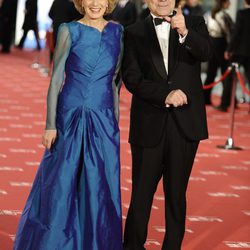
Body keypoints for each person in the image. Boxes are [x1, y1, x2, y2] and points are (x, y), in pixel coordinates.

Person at [14, 0, 123, 248]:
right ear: (81, 2)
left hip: (104, 120)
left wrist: (114, 122)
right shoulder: (69, 30)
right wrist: (50, 124)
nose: (95, 4)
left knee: (99, 185)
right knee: (62, 183)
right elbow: (55, 80)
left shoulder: (118, 32)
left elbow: (115, 81)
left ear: (109, 3)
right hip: (70, 115)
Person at [122, 0, 212, 249]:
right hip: (149, 123)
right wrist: (164, 95)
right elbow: (131, 78)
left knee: (176, 196)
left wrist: (185, 32)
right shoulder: (133, 32)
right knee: (141, 195)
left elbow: (206, 53)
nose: (163, 0)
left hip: (185, 126)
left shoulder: (194, 23)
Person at [203, 0, 234, 110]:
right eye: (228, 2)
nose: (230, 4)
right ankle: (227, 101)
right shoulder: (222, 15)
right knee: (226, 72)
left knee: (211, 71)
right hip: (221, 44)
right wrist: (230, 48)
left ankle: (205, 98)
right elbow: (228, 33)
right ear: (224, 3)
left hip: (212, 42)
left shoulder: (209, 13)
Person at [225, 0, 250, 91]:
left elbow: (237, 33)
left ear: (245, 1)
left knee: (229, 77)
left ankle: (225, 103)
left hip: (239, 51)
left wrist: (228, 49)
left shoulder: (241, 13)